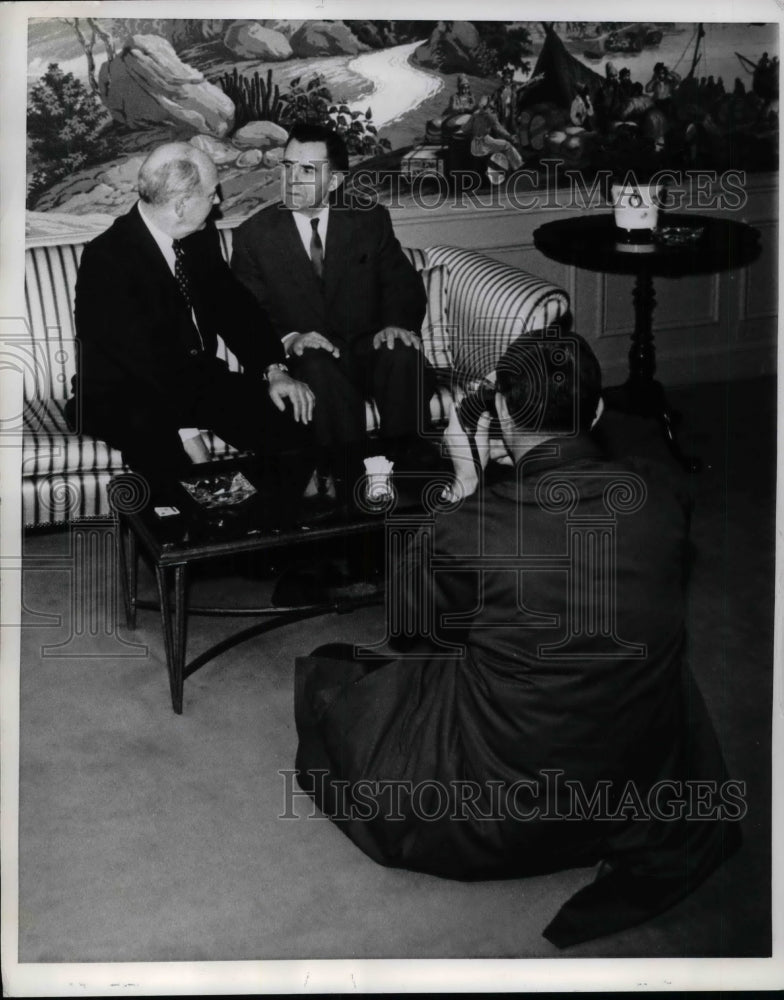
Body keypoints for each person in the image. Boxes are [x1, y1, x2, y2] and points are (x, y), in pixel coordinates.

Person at [294, 332, 741, 947]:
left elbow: (410, 622)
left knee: (334, 680)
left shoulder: (474, 523)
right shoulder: (663, 492)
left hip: (503, 810)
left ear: (501, 412)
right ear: (596, 412)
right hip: (631, 781)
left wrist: (470, 484)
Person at [67, 142, 318, 522]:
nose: (218, 199)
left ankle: (266, 530)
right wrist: (187, 432)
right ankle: (198, 549)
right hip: (121, 392)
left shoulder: (198, 235)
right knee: (167, 454)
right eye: (210, 192)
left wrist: (273, 369)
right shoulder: (108, 259)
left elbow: (234, 307)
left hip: (191, 378)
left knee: (286, 420)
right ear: (181, 204)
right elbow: (138, 364)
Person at [231, 123, 432, 507]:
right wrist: (291, 338)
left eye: (307, 170)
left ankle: (407, 482)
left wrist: (397, 324)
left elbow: (401, 283)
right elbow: (248, 314)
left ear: (335, 180)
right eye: (288, 166)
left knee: (403, 354)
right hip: (309, 360)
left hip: (366, 349)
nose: (291, 179)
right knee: (317, 362)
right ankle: (349, 489)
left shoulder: (368, 220)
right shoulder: (254, 236)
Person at [468, 95, 524, 172]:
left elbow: (465, 128)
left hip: (474, 146)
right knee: (506, 145)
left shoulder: (475, 114)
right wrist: (510, 137)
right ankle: (518, 166)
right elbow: (499, 129)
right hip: (483, 145)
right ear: (487, 106)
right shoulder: (490, 116)